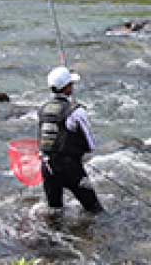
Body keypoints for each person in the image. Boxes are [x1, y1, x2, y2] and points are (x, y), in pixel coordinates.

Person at [37, 66, 104, 213]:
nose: (72, 86)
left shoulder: (42, 109)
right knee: (95, 210)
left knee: (54, 212)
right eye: (71, 84)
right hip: (70, 169)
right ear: (67, 87)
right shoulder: (77, 111)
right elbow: (90, 145)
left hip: (47, 168)